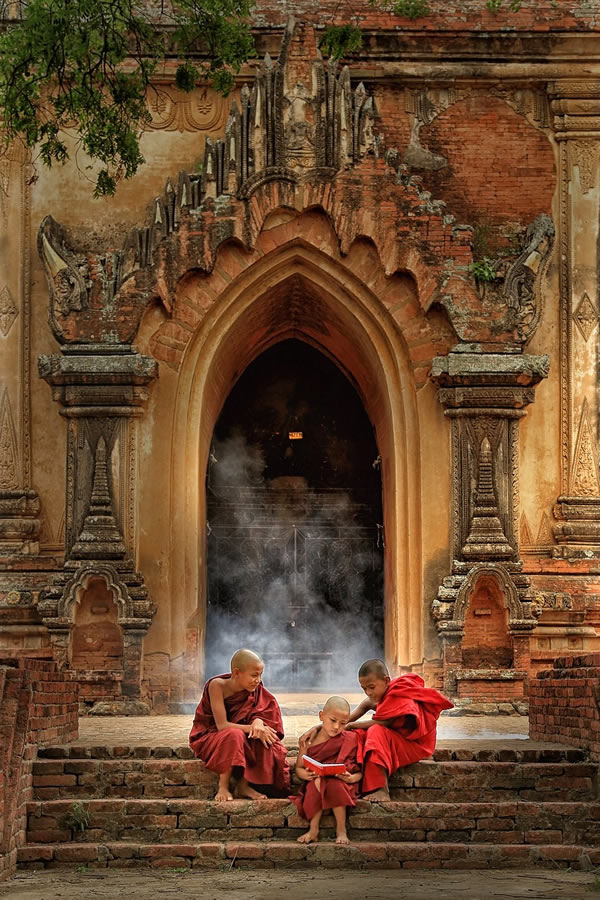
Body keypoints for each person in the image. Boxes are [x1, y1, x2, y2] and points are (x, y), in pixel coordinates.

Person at [188, 648, 290, 801]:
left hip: (239, 734)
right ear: (236, 673)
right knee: (233, 734)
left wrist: (258, 722)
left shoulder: (254, 690)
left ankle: (243, 785)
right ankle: (223, 786)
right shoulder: (217, 686)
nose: (258, 680)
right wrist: (251, 727)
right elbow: (222, 725)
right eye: (254, 675)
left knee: (263, 738)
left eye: (260, 675)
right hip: (212, 735)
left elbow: (261, 711)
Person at [348, 658, 453, 800]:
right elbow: (345, 720)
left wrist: (351, 725)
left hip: (416, 745)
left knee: (375, 731)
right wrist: (318, 729)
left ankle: (381, 789)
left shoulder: (398, 693)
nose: (368, 692)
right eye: (364, 689)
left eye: (371, 687)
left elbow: (382, 723)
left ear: (386, 681)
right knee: (357, 734)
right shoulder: (372, 700)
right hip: (397, 742)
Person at [292, 696, 362, 845]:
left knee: (333, 785)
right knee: (317, 782)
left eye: (343, 723)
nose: (337, 727)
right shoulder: (309, 740)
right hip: (314, 781)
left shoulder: (350, 739)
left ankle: (341, 830)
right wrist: (304, 774)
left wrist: (352, 778)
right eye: (333, 720)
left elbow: (360, 771)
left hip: (342, 783)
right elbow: (299, 767)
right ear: (321, 716)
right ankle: (313, 829)